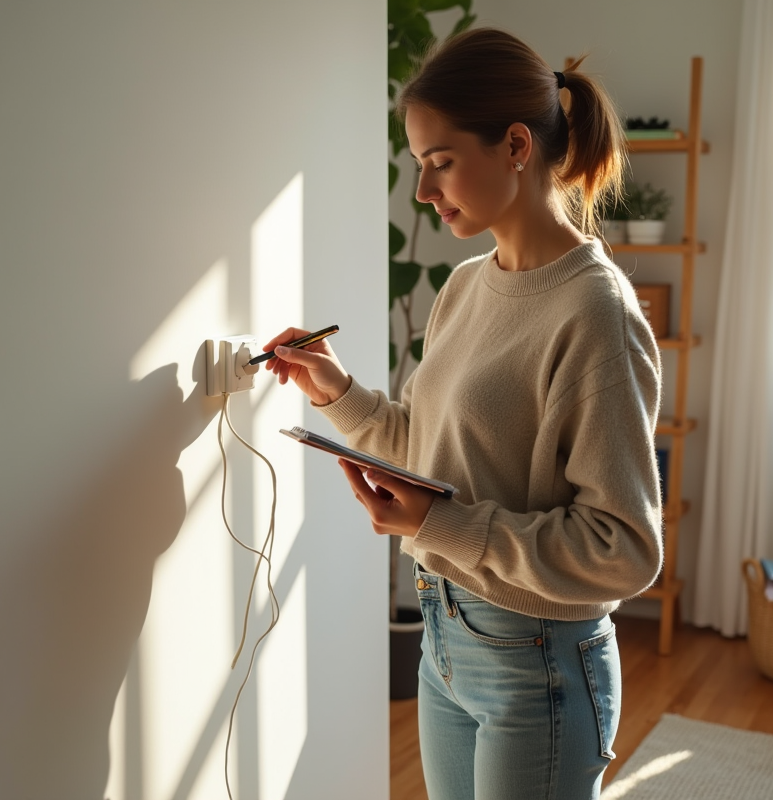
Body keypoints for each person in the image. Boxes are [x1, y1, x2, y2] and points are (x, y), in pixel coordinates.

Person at [262, 27, 662, 800]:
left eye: (440, 162)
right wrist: (336, 391)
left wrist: (440, 524)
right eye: (419, 164)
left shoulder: (595, 311)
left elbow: (623, 549)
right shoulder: (465, 286)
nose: (422, 190)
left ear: (515, 146)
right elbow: (429, 448)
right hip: (444, 634)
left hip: (537, 659)